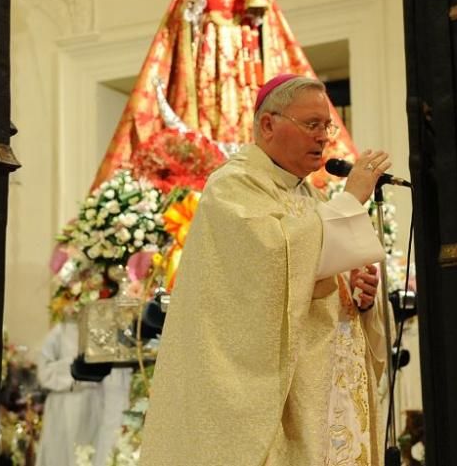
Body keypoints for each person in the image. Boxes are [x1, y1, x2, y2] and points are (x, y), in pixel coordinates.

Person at [140, 75, 390, 465]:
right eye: (312, 124)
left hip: (325, 394)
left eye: (327, 125)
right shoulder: (233, 187)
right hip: (279, 403)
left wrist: (356, 291)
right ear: (268, 125)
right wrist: (352, 199)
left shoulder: (307, 193)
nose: (324, 137)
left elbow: (309, 265)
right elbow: (271, 267)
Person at [91, 0, 356, 188]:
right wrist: (194, 13)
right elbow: (182, 21)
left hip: (241, 47)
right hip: (209, 46)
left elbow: (261, 6)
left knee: (244, 92)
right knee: (209, 96)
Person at [35, 320, 134, 466]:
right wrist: (74, 368)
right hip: (63, 404)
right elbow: (44, 373)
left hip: (93, 404)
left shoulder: (108, 330)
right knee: (61, 454)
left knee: (88, 453)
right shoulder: (62, 330)